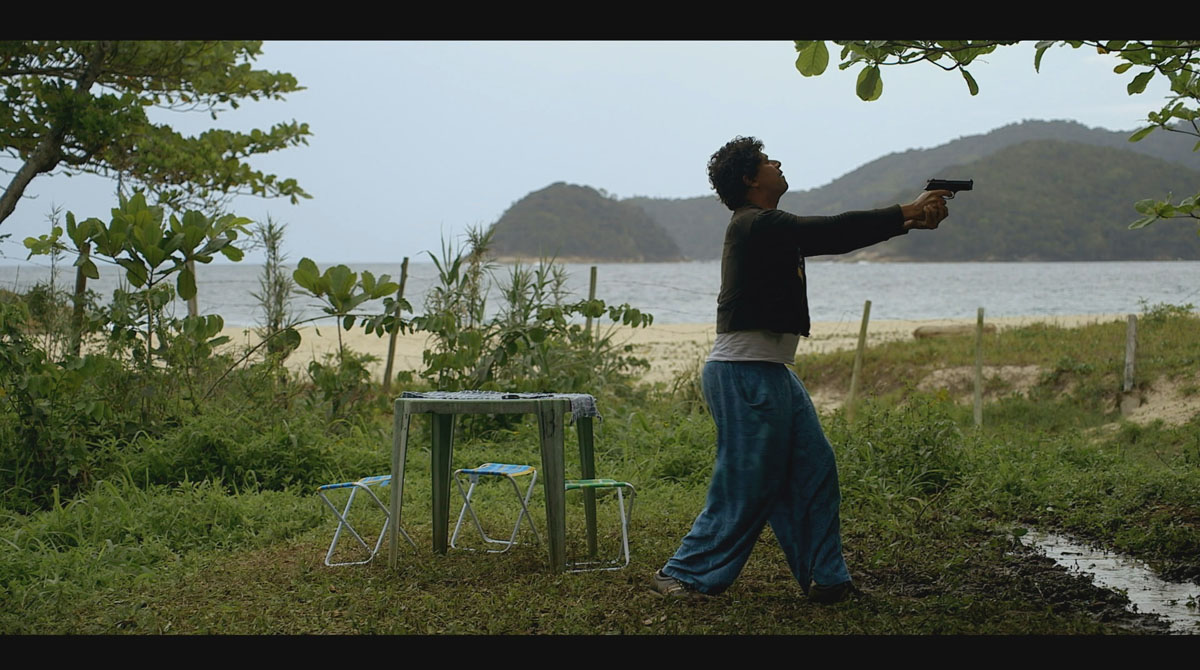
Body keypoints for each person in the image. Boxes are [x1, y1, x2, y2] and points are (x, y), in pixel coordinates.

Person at [651, 136, 950, 603]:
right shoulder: (755, 224)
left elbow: (832, 235)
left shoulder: (768, 228)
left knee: (815, 470)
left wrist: (908, 221)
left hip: (772, 371)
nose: (777, 163)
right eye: (768, 161)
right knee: (748, 481)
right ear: (751, 179)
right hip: (743, 371)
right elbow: (830, 230)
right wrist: (906, 212)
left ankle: (828, 580)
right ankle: (686, 575)